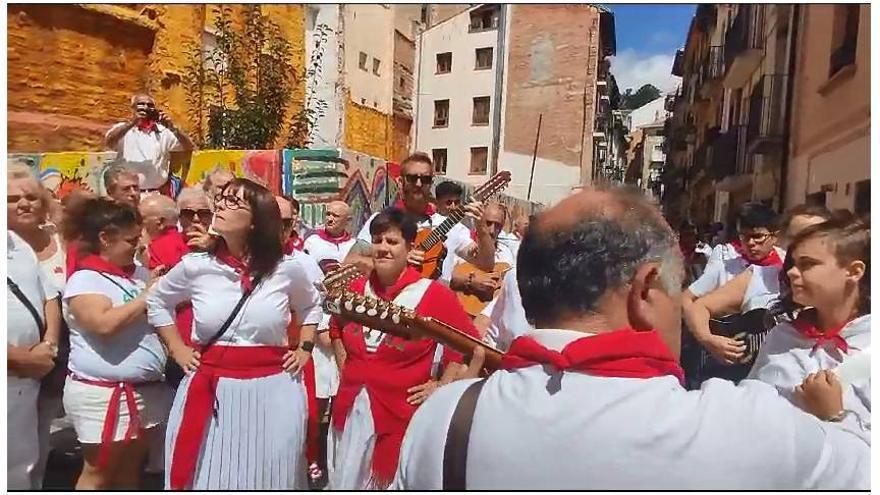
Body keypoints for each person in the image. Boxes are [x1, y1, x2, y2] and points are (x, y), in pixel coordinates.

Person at [392, 186, 869, 490]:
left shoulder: (444, 417)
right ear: (645, 290)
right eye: (674, 289)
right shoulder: (745, 427)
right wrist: (839, 418)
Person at [147, 178, 324, 490]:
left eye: (234, 201)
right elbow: (157, 300)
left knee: (272, 475)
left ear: (256, 222)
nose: (221, 206)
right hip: (211, 386)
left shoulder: (286, 268)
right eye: (222, 198)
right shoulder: (195, 266)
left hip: (274, 390)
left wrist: (305, 348)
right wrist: (177, 348)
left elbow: (311, 306)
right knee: (212, 475)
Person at [326, 208, 480, 490]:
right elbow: (335, 325)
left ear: (410, 248)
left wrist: (441, 385)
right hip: (349, 409)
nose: (383, 248)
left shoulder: (432, 294)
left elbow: (468, 344)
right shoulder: (356, 288)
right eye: (378, 240)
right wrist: (344, 362)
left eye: (392, 242)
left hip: (399, 413)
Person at [61, 198, 171, 489]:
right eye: (130, 240)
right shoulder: (86, 279)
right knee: (98, 474)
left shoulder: (138, 274)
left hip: (143, 392)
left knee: (127, 472)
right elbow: (103, 324)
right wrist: (148, 296)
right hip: (104, 396)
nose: (138, 245)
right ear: (105, 239)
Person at [748, 218, 870, 442]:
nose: (793, 272)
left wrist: (834, 415)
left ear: (853, 271)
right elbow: (749, 406)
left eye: (808, 264)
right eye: (793, 264)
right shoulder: (781, 337)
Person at [684, 206, 833, 369]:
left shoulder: (847, 291)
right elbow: (697, 305)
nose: (750, 243)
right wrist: (709, 340)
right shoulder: (758, 275)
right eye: (796, 238)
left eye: (816, 236)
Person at [7, 165, 68, 488]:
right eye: (12, 198)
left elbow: (49, 296)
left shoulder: (19, 247)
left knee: (25, 462)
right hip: (14, 370)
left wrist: (49, 345)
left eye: (31, 197)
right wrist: (18, 359)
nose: (23, 204)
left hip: (37, 374)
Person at [346, 152, 495, 279]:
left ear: (431, 184)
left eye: (425, 179)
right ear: (400, 182)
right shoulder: (381, 221)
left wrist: (481, 229)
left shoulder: (451, 227)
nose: (418, 184)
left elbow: (486, 264)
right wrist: (397, 262)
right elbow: (350, 261)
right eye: (412, 178)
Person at [104, 94, 194, 195]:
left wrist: (172, 128)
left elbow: (188, 146)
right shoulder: (124, 129)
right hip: (128, 194)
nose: (146, 107)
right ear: (133, 108)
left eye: (150, 105)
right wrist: (132, 123)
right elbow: (109, 142)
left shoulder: (164, 132)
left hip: (156, 193)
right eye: (141, 104)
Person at [448, 203, 516, 317]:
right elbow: (446, 277)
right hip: (456, 309)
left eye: (498, 225)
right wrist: (471, 282)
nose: (492, 230)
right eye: (488, 223)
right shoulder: (462, 243)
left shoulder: (506, 253)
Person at [303, 201, 356, 267]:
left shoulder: (354, 245)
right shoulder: (312, 242)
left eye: (335, 216)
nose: (330, 219)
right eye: (328, 214)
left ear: (348, 220)